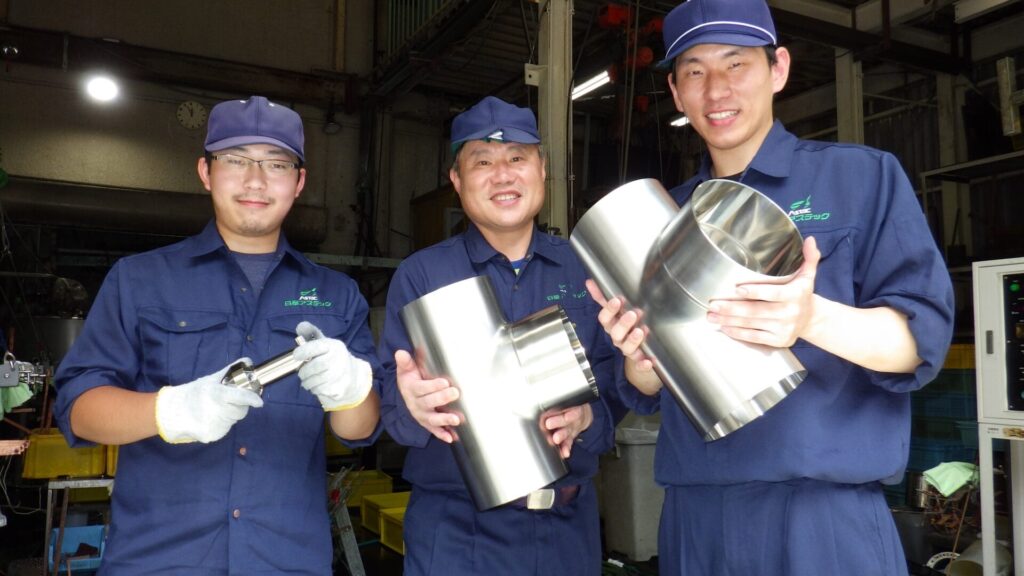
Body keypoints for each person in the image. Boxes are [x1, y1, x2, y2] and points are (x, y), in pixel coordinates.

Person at [587, 1, 956, 574]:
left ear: (778, 68)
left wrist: (810, 319)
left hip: (822, 520)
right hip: (695, 518)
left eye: (736, 63)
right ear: (677, 93)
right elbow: (644, 388)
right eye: (694, 71)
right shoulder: (661, 219)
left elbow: (921, 341)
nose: (716, 89)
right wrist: (641, 357)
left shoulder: (860, 178)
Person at [53, 95, 382, 576]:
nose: (256, 180)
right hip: (158, 562)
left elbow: (361, 430)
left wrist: (351, 390)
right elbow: (79, 410)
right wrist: (172, 410)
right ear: (205, 172)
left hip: (287, 561)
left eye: (276, 164)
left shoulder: (337, 294)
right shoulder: (138, 280)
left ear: (299, 182)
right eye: (236, 160)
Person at [379, 96, 626, 575]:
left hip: (567, 531)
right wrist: (411, 406)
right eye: (482, 162)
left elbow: (618, 381)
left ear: (542, 170)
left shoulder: (585, 269)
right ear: (456, 179)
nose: (503, 175)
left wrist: (588, 417)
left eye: (517, 158)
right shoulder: (421, 276)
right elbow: (392, 396)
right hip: (456, 534)